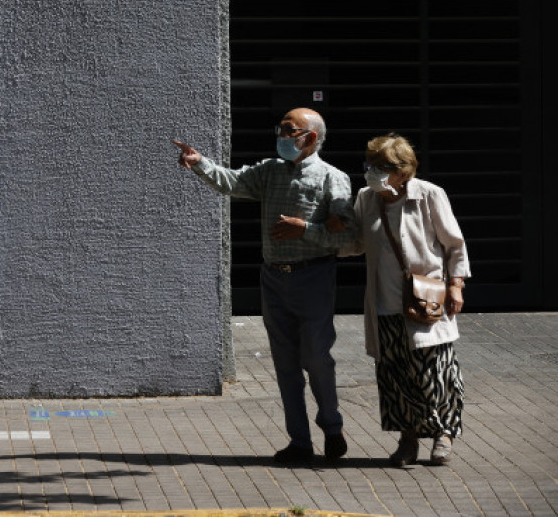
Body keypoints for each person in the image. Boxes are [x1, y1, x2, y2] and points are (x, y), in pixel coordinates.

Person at [174, 107, 357, 463]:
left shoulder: (330, 178)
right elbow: (232, 181)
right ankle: (300, 442)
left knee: (317, 357)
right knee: (285, 363)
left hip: (313, 276)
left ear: (311, 138)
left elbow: (347, 233)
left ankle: (332, 427)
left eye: (290, 131)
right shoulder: (270, 171)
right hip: (274, 276)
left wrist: (305, 229)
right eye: (281, 129)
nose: (281, 136)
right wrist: (198, 162)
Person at [328, 133, 470, 466]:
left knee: (435, 372)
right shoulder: (367, 198)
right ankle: (408, 439)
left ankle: (443, 433)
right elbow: (359, 242)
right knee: (394, 374)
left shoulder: (429, 195)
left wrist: (456, 285)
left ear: (404, 170)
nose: (373, 171)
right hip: (384, 302)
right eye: (371, 164)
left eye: (383, 166)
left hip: (426, 300)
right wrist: (325, 241)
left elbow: (454, 244)